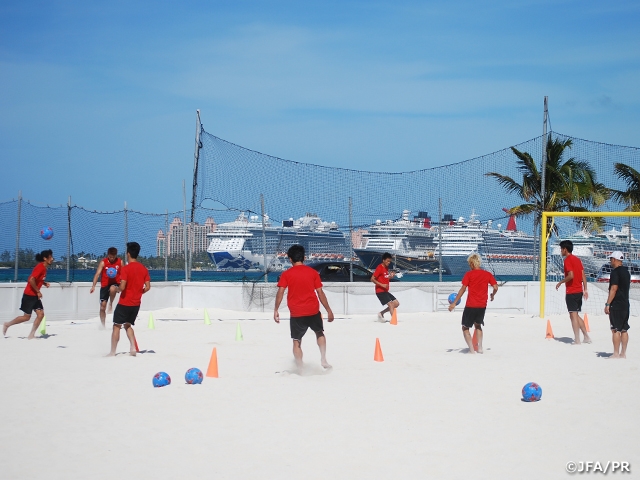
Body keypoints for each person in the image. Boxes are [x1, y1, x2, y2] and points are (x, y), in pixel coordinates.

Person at [274, 244, 334, 371]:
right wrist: (329, 310)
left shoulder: (286, 274)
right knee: (319, 333)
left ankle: (300, 367)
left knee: (297, 341)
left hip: (296, 312)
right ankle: (323, 359)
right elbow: (320, 293)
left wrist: (276, 310)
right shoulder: (313, 273)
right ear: (304, 258)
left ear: (290, 259)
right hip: (313, 310)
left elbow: (280, 292)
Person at [448, 253, 498, 354]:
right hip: (482, 305)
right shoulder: (487, 274)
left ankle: (471, 350)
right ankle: (480, 348)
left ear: (471, 263)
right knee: (478, 326)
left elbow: (463, 289)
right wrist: (492, 295)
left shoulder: (469, 274)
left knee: (465, 327)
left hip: (471, 305)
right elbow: (496, 287)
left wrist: (454, 302)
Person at [107, 242, 150, 357]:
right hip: (136, 304)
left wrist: (115, 289)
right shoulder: (143, 269)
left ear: (128, 254)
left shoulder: (126, 269)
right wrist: (139, 292)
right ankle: (132, 347)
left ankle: (112, 352)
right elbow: (148, 287)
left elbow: (122, 287)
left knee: (116, 326)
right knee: (128, 325)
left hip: (125, 303)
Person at [3, 249, 54, 339]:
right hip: (29, 295)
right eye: (50, 257)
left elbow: (35, 279)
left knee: (41, 314)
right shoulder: (40, 267)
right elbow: (31, 280)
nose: (52, 259)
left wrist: (44, 283)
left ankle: (31, 335)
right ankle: (7, 324)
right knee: (26, 317)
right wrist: (38, 291)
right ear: (45, 258)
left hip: (35, 296)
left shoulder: (44, 268)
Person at [555, 240, 591, 344]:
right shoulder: (578, 259)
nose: (561, 251)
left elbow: (571, 275)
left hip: (572, 291)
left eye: (561, 249)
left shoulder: (567, 260)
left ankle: (577, 339)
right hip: (579, 291)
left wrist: (560, 282)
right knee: (575, 314)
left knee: (573, 316)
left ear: (565, 249)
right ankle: (586, 336)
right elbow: (583, 275)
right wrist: (585, 289)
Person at [604, 251, 630, 358]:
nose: (610, 261)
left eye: (611, 259)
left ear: (614, 259)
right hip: (625, 304)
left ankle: (615, 353)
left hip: (617, 304)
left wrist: (608, 304)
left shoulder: (615, 272)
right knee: (624, 329)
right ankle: (623, 353)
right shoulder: (626, 272)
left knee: (615, 329)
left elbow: (614, 289)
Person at [90, 247, 122, 327]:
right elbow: (97, 274)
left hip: (115, 283)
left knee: (112, 288)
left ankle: (111, 303)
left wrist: (124, 285)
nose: (112, 258)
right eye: (110, 257)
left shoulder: (120, 262)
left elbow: (124, 274)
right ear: (108, 255)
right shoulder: (103, 262)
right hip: (105, 285)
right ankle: (103, 325)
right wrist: (93, 286)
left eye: (113, 257)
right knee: (102, 307)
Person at [372, 252, 400, 322]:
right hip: (380, 291)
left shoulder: (386, 268)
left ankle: (381, 313)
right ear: (383, 260)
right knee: (391, 304)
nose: (388, 262)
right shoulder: (379, 267)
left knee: (396, 303)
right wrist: (382, 285)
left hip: (385, 291)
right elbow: (372, 279)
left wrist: (391, 277)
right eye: (387, 261)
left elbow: (385, 278)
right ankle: (394, 320)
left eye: (390, 261)